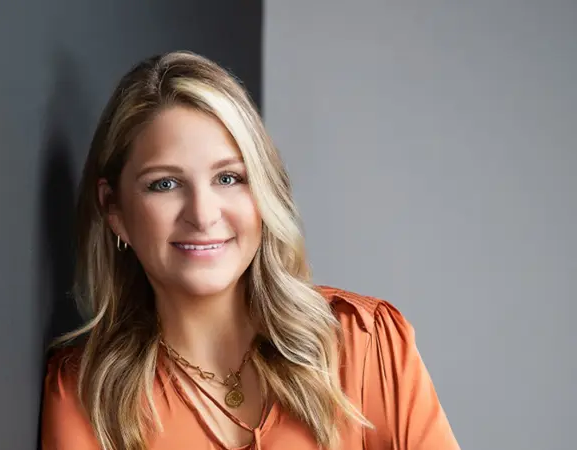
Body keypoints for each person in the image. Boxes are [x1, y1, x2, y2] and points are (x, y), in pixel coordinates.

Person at [41, 50, 460, 450]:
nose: (203, 215)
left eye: (229, 178)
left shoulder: (367, 344)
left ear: (263, 191)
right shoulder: (85, 396)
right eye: (165, 184)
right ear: (114, 210)